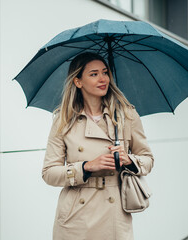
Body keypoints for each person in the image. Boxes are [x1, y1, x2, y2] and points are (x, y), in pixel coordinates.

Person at [42, 52, 154, 240]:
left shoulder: (127, 115)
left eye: (105, 72)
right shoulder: (63, 120)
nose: (103, 79)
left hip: (114, 214)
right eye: (94, 74)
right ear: (78, 82)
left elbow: (148, 160)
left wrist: (130, 160)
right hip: (76, 215)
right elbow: (49, 173)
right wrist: (86, 167)